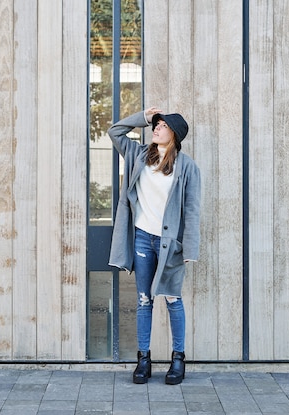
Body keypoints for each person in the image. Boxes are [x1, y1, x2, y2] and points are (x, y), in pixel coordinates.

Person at [107, 107, 201, 385]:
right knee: (144, 299)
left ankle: (178, 359)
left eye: (162, 126)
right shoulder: (138, 155)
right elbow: (115, 131)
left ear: (174, 134)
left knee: (173, 298)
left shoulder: (187, 167)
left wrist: (190, 249)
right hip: (142, 238)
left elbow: (192, 210)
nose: (156, 128)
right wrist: (143, 118)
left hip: (171, 243)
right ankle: (143, 360)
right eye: (155, 125)